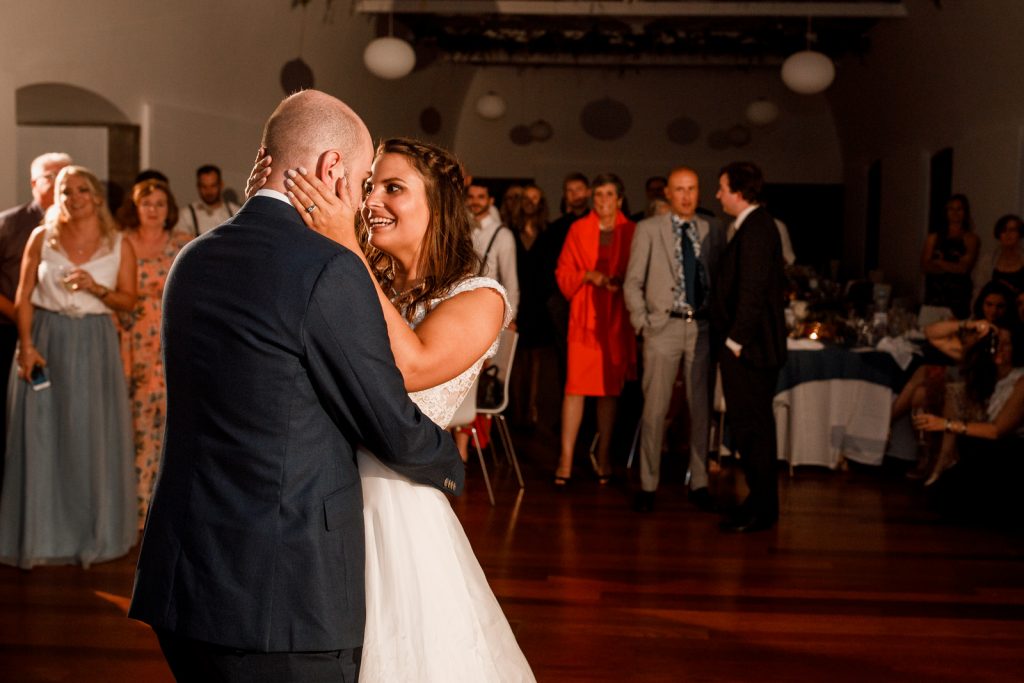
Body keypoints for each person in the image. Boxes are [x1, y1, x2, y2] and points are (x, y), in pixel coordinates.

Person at [129, 91, 466, 683]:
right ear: (332, 169)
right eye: (363, 180)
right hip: (279, 594)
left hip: (181, 577)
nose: (363, 200)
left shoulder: (194, 257)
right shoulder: (329, 267)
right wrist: (448, 461)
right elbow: (386, 420)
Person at [255, 136, 535, 680]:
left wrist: (347, 247)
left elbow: (408, 367)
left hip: (397, 503)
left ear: (439, 206)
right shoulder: (361, 279)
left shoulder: (481, 297)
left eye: (393, 188)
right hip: (323, 488)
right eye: (368, 187)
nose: (371, 201)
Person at [0, 165, 137, 569]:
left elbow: (130, 301)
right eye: (64, 190)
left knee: (90, 437)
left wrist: (96, 288)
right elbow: (23, 295)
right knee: (42, 437)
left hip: (95, 343)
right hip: (45, 339)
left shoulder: (118, 242)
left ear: (96, 196)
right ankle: (41, 535)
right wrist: (26, 346)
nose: (73, 196)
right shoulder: (42, 237)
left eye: (81, 189)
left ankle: (91, 534)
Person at [624, 167, 725, 513]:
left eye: (692, 189)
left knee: (700, 407)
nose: (686, 196)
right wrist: (642, 323)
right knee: (655, 408)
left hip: (702, 327)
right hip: (662, 327)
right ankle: (649, 484)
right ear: (667, 193)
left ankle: (699, 481)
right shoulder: (649, 228)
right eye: (679, 189)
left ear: (699, 191)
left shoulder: (713, 228)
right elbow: (632, 281)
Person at [710, 161, 787, 533]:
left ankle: (762, 508)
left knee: (753, 431)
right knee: (749, 431)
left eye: (722, 188)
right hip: (746, 347)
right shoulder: (753, 226)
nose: (718, 194)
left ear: (739, 192)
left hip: (750, 349)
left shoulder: (757, 228)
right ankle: (758, 503)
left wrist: (735, 341)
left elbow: (752, 292)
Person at [115, 179, 191, 526]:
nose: (154, 209)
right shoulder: (121, 242)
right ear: (136, 207)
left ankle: (160, 508)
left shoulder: (182, 243)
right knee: (132, 424)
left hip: (169, 338)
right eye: (147, 203)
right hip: (130, 340)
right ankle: (131, 509)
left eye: (161, 203)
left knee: (169, 424)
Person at [553, 173, 637, 486]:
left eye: (609, 195)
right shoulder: (579, 229)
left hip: (616, 320)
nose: (602, 201)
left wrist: (620, 282)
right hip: (585, 319)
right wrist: (589, 275)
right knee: (574, 389)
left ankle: (603, 457)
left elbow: (639, 271)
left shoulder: (631, 230)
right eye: (598, 195)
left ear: (619, 199)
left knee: (609, 392)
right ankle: (565, 460)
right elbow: (563, 273)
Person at [0, 152, 72, 465]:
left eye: (65, 175)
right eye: (50, 176)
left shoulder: (80, 223)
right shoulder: (10, 223)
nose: (58, 182)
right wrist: (18, 314)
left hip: (60, 331)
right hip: (9, 330)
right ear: (33, 183)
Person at [912, 324, 1024, 522]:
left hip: (1012, 452)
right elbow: (932, 335)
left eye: (1006, 345)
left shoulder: (1021, 381)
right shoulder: (989, 373)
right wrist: (969, 324)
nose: (999, 348)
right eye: (996, 343)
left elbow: (998, 430)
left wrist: (946, 424)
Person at [537, 173, 591, 389]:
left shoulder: (596, 224)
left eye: (578, 189)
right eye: (569, 190)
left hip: (590, 297)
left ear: (587, 192)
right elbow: (549, 265)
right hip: (562, 299)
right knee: (566, 354)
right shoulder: (557, 228)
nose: (574, 195)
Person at [921, 194, 980, 319]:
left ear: (965, 212)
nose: (955, 213)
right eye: (951, 209)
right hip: (935, 293)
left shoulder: (971, 239)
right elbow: (925, 266)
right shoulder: (934, 237)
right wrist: (952, 266)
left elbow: (963, 268)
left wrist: (938, 261)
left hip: (959, 295)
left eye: (959, 209)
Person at [179, 164, 239, 235]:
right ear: (198, 187)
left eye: (213, 186)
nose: (209, 191)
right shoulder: (186, 215)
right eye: (204, 187)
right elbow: (180, 242)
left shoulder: (236, 212)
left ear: (221, 185)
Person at [990, 213, 1024, 295]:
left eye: (1012, 230)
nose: (1008, 234)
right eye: (1004, 230)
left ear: (1019, 233)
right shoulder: (988, 260)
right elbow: (979, 289)